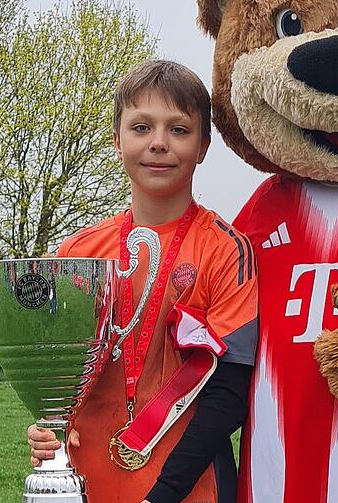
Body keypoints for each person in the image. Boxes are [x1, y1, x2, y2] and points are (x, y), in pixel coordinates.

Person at [27, 60, 258, 503]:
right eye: (140, 127)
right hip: (85, 483)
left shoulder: (227, 250)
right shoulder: (76, 254)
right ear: (117, 141)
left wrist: (162, 496)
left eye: (178, 129)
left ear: (203, 145)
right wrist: (47, 425)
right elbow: (56, 375)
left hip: (189, 490)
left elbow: (230, 395)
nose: (158, 143)